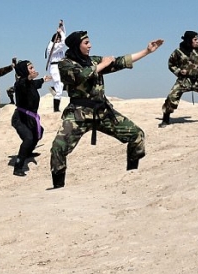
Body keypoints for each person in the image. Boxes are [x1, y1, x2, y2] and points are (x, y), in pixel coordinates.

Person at [49, 31, 164, 188]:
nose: (90, 45)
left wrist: (146, 51)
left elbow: (119, 62)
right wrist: (102, 65)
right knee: (58, 148)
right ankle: (58, 187)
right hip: (78, 114)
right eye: (86, 43)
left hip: (102, 112)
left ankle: (131, 175)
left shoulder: (93, 60)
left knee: (137, 135)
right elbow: (79, 76)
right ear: (77, 45)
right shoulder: (65, 64)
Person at [10, 60, 51, 177]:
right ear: (24, 71)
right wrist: (28, 78)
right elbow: (23, 84)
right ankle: (18, 167)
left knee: (39, 132)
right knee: (28, 138)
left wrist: (43, 79)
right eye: (31, 68)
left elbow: (36, 83)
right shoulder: (19, 84)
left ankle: (28, 152)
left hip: (30, 117)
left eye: (33, 68)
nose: (33, 70)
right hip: (20, 118)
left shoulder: (31, 83)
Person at [44, 20, 67, 112]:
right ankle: (56, 109)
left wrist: (62, 27)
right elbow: (64, 42)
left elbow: (64, 37)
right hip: (55, 67)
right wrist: (61, 32)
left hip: (60, 67)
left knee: (64, 83)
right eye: (57, 39)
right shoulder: (52, 47)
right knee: (59, 87)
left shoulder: (57, 45)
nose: (59, 40)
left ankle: (53, 88)